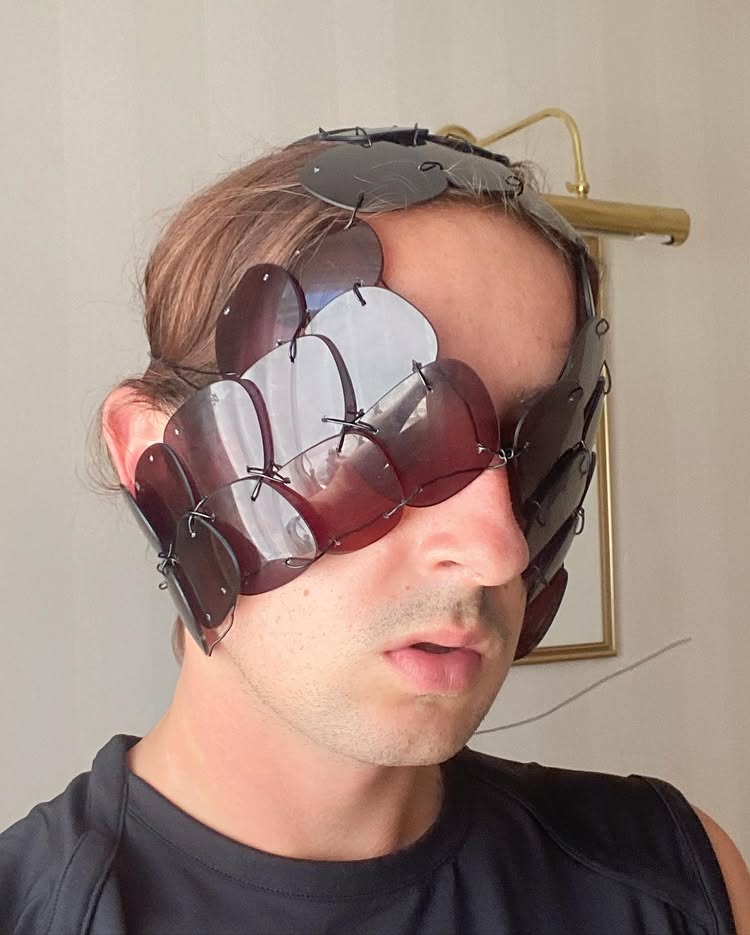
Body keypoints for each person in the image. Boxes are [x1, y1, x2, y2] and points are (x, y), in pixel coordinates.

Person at [1, 126, 748, 935]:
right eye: (370, 428)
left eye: (538, 448)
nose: (496, 551)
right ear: (157, 455)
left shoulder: (677, 883)